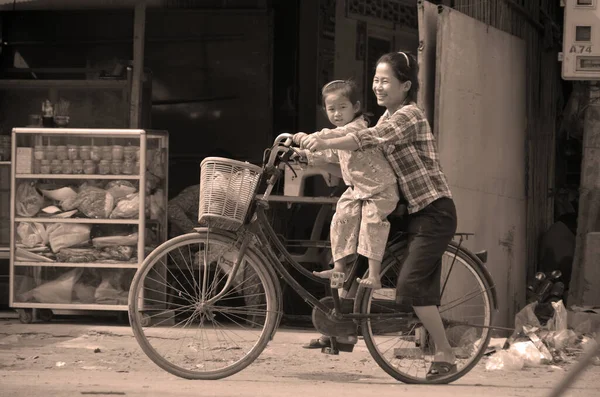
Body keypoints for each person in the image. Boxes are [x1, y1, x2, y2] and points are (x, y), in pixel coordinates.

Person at [302, 51, 458, 380]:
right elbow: (357, 163)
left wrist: (324, 137)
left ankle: (444, 352)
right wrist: (311, 155)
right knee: (358, 240)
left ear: (406, 85)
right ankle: (342, 327)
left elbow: (365, 139)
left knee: (411, 286)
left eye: (386, 80)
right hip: (408, 211)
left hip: (433, 212)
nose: (379, 86)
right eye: (375, 80)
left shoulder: (409, 116)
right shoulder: (385, 118)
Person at [294, 79, 399, 290]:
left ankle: (375, 275)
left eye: (342, 108)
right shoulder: (338, 137)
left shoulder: (357, 128)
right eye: (331, 109)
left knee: (372, 224)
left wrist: (312, 137)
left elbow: (337, 137)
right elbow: (327, 154)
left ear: (356, 107)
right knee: (340, 216)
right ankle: (339, 267)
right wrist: (303, 155)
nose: (337, 114)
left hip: (380, 190)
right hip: (358, 191)